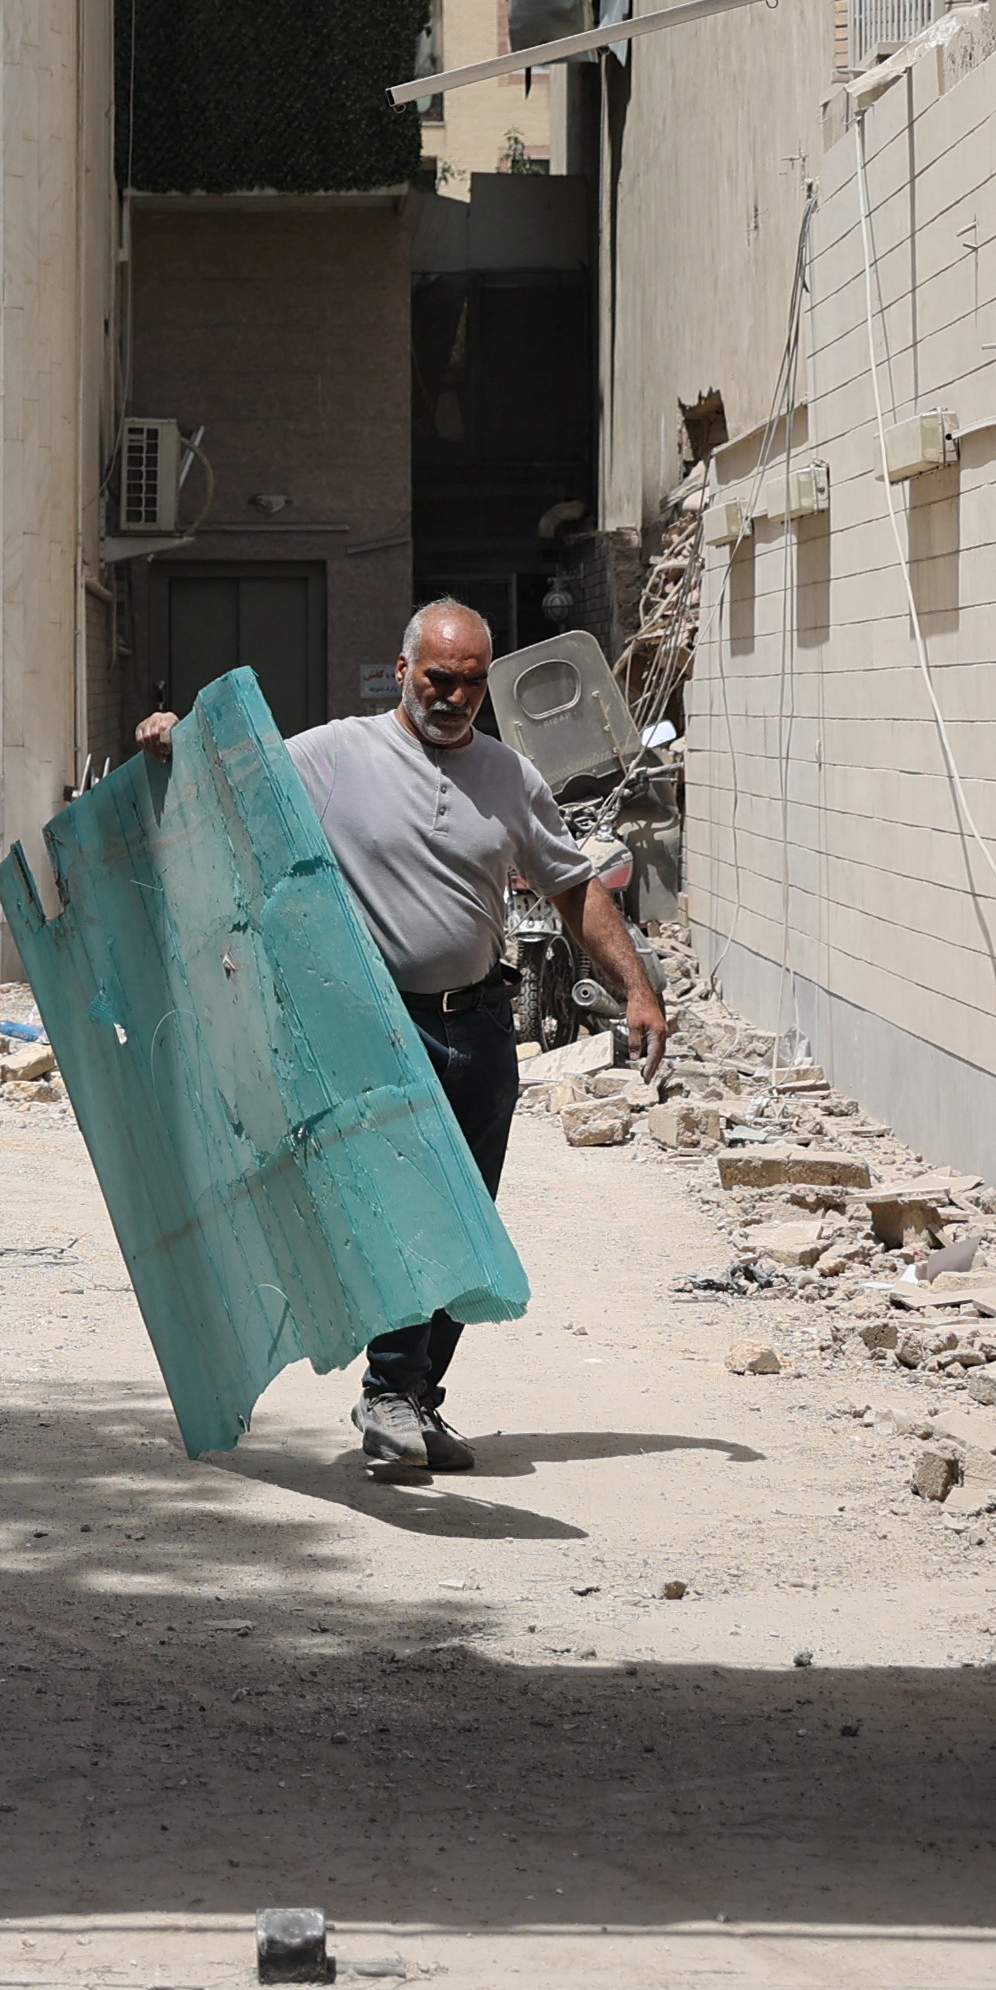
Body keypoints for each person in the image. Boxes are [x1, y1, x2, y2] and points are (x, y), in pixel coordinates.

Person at [142, 598, 668, 1482]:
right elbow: (234, 773)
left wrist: (639, 990)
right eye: (438, 678)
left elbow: (576, 889)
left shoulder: (508, 777)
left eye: (470, 684)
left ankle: (415, 1398)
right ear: (402, 670)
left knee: (467, 1227)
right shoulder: (337, 754)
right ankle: (389, 1388)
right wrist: (175, 735)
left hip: (483, 1032)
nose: (454, 697)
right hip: (381, 1030)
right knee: (406, 1212)